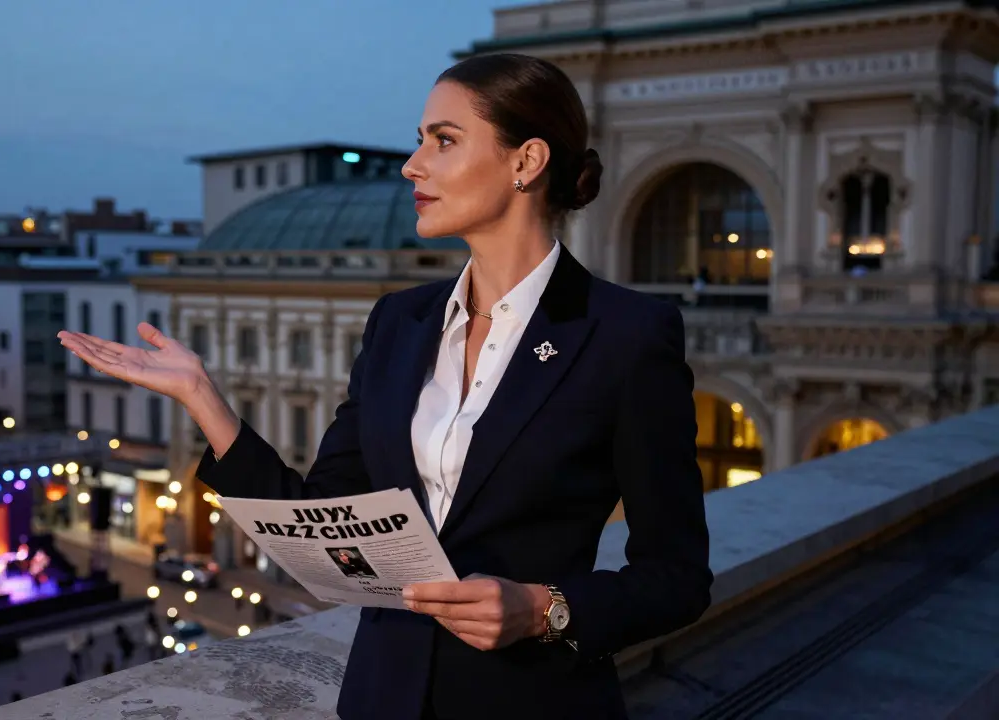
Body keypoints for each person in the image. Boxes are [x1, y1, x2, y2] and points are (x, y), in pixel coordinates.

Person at [59, 52, 712, 720]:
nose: (412, 165)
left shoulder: (628, 334)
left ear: (527, 161)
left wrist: (545, 609)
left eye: (444, 140)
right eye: (418, 140)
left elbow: (677, 577)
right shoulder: (400, 322)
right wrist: (204, 397)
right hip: (383, 698)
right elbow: (320, 514)